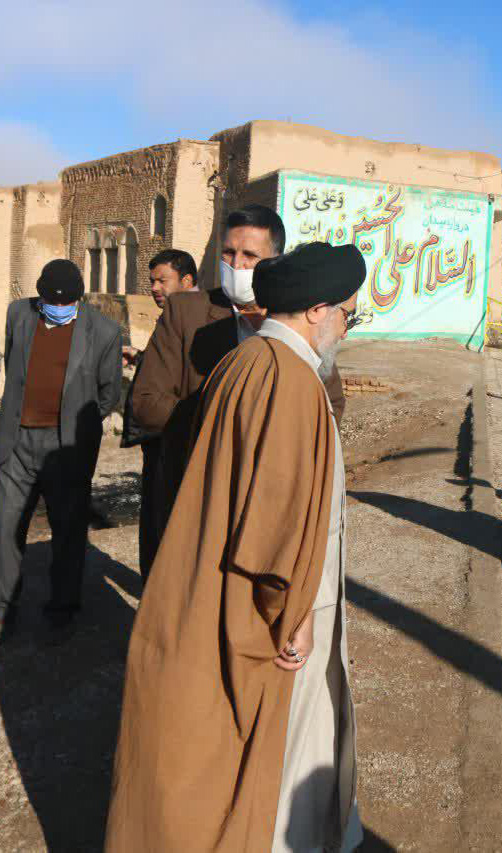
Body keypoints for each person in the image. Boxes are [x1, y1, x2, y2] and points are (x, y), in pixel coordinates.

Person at [106, 242, 365, 852]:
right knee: (276, 761)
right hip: (284, 613)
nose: (347, 329)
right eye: (350, 315)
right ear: (318, 310)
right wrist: (290, 618)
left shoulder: (245, 362)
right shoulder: (289, 380)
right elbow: (271, 525)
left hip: (230, 592)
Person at [129, 206, 345, 580]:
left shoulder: (297, 320)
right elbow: (146, 403)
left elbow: (331, 403)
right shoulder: (187, 313)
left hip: (267, 504)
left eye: (250, 256)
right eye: (228, 253)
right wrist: (227, 426)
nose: (237, 264)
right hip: (194, 496)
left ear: (274, 261)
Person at [0, 259, 123, 644]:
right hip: (19, 441)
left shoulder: (105, 332)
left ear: (80, 298)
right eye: (51, 301)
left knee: (68, 530)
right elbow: (14, 365)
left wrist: (76, 427)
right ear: (39, 296)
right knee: (7, 527)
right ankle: (0, 610)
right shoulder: (18, 315)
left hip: (67, 447)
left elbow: (109, 394)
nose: (59, 308)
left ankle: (62, 608)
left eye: (68, 302)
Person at [121, 249, 199, 578]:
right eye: (151, 280)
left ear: (187, 280)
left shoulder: (197, 318)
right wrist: (141, 360)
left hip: (175, 437)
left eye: (162, 280)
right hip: (157, 438)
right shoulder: (174, 316)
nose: (154, 287)